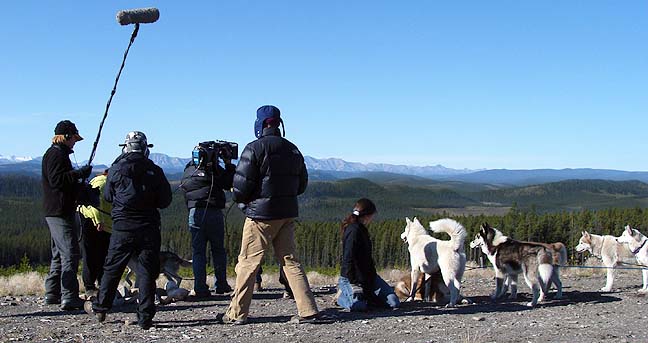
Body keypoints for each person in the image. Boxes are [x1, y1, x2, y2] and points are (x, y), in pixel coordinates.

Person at [220, 105, 320, 325]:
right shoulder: (292, 149)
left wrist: (243, 201)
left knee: (248, 263)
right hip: (286, 214)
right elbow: (301, 185)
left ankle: (236, 313)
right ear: (278, 123)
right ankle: (308, 310)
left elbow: (241, 188)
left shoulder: (254, 148)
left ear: (260, 124)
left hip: (260, 217)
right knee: (290, 261)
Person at [85, 131, 172, 330]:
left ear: (125, 147)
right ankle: (145, 317)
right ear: (145, 148)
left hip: (122, 227)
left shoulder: (116, 169)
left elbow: (107, 196)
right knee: (147, 272)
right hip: (148, 227)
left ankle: (101, 308)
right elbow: (165, 201)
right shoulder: (155, 170)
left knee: (112, 268)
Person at [42, 120, 92, 310]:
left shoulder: (57, 153)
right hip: (59, 211)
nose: (75, 143)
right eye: (74, 139)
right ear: (67, 136)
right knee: (70, 252)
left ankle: (52, 293)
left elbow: (62, 181)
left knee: (58, 253)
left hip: (57, 210)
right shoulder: (56, 154)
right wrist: (78, 174)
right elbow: (57, 181)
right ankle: (69, 296)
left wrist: (77, 180)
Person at [180, 142, 235, 297]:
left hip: (194, 213)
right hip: (214, 212)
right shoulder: (214, 170)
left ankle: (200, 287)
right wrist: (228, 163)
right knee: (218, 250)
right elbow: (229, 182)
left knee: (198, 252)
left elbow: (185, 190)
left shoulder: (188, 170)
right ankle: (221, 285)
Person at [337, 198, 400, 311]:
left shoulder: (362, 229)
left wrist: (371, 278)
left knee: (393, 302)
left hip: (369, 276)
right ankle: (342, 297)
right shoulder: (353, 231)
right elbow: (348, 258)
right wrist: (353, 282)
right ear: (367, 215)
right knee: (358, 306)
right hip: (351, 277)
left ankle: (367, 297)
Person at [78, 170, 112, 300]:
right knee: (91, 255)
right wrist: (99, 220)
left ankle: (101, 284)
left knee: (102, 255)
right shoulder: (101, 183)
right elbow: (94, 203)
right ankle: (90, 287)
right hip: (91, 222)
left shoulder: (107, 183)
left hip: (105, 224)